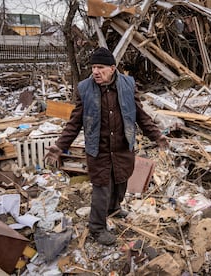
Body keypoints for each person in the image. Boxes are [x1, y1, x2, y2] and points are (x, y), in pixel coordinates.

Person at [45, 47, 168, 245]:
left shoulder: (128, 85)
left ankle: (115, 209)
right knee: (101, 188)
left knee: (121, 182)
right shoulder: (85, 88)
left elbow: (139, 114)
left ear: (112, 68)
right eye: (93, 67)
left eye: (100, 67)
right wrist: (60, 146)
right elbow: (75, 122)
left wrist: (156, 135)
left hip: (121, 146)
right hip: (98, 149)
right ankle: (97, 227)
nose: (95, 71)